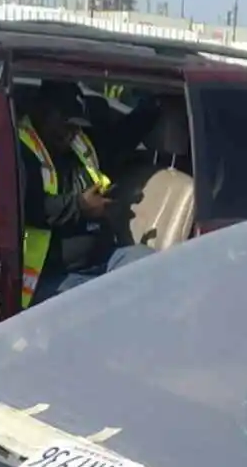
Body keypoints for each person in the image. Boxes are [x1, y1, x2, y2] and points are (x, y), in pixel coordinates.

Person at [17, 81, 161, 305]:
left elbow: (121, 140)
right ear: (40, 111)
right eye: (65, 123)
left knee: (153, 265)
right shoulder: (19, 149)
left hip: (104, 262)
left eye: (76, 126)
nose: (71, 133)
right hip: (51, 277)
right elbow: (25, 207)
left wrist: (154, 105)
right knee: (103, 303)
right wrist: (80, 207)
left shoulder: (80, 145)